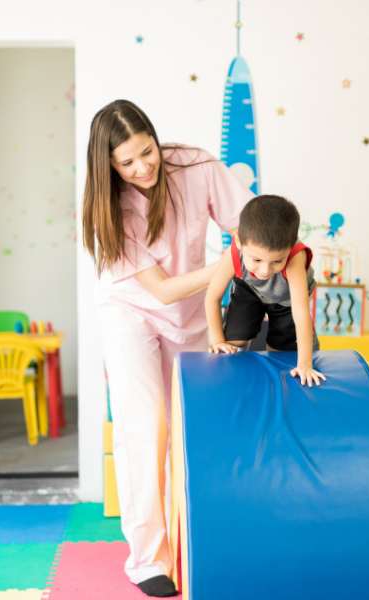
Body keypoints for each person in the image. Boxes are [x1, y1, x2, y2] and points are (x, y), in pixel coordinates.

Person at [83, 99, 252, 597]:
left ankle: (199, 539)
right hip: (131, 313)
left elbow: (247, 227)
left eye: (147, 152)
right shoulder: (105, 210)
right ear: (108, 166)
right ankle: (147, 559)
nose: (142, 168)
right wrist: (229, 269)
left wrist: (261, 264)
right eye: (126, 162)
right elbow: (159, 290)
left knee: (193, 427)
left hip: (192, 311)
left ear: (157, 140)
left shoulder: (196, 165)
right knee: (144, 427)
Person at [204, 194, 326, 386]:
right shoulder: (234, 252)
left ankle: (275, 386)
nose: (265, 270)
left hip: (286, 299)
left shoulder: (295, 257)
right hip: (250, 290)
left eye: (277, 261)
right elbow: (212, 297)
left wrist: (305, 364)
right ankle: (233, 382)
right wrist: (218, 340)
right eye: (257, 260)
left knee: (282, 351)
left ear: (289, 248)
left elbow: (301, 312)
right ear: (238, 242)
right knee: (232, 341)